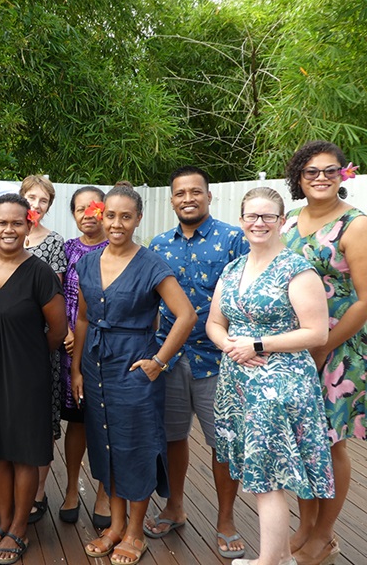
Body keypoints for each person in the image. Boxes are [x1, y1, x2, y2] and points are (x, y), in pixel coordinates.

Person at [208, 187, 333, 565]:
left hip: (278, 385)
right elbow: (215, 322)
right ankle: (281, 559)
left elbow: (317, 332)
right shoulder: (232, 269)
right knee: (265, 472)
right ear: (241, 220)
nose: (258, 222)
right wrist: (231, 346)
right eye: (251, 216)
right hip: (238, 379)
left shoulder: (296, 268)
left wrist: (257, 345)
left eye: (267, 216)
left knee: (269, 475)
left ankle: (267, 562)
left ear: (281, 222)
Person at [72, 185, 196, 565]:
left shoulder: (150, 263)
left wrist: (158, 362)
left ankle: (135, 532)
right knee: (105, 441)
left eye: (126, 216)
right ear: (101, 215)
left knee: (136, 447)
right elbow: (82, 317)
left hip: (134, 366)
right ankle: (114, 526)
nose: (116, 223)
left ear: (138, 219)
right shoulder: (88, 263)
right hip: (95, 366)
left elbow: (186, 315)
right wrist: (76, 368)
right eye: (111, 215)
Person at [145, 166, 249, 559]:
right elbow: (151, 303)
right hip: (170, 358)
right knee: (172, 438)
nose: (187, 198)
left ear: (208, 196)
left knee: (223, 444)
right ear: (171, 199)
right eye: (179, 193)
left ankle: (225, 520)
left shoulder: (232, 240)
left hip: (219, 360)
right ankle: (174, 506)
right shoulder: (158, 244)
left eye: (195, 192)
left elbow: (246, 294)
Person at [0, 193, 67, 565]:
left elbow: (57, 330)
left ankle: (19, 528)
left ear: (28, 226)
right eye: (1, 223)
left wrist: (26, 355)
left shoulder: (39, 273)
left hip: (28, 376)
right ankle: (4, 521)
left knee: (24, 453)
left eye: (16, 223)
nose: (9, 229)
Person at [280, 141, 367, 565]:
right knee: (300, 443)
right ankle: (303, 527)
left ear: (342, 176)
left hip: (337, 351)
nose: (320, 177)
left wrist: (322, 347)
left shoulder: (356, 226)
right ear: (299, 177)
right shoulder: (289, 224)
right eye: (311, 171)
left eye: (329, 171)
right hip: (294, 349)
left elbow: (364, 301)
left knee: (332, 445)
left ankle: (326, 534)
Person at [57, 186, 112, 528]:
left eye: (93, 208)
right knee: (76, 420)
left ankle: (105, 492)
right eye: (80, 209)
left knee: (105, 421)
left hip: (107, 345)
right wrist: (64, 329)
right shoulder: (67, 250)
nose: (87, 215)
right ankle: (71, 489)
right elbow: (56, 291)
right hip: (71, 344)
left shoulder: (117, 247)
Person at [18, 174, 67, 523]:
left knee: (42, 417)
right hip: (6, 341)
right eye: (31, 198)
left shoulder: (54, 242)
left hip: (40, 340)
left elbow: (55, 296)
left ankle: (37, 491)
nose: (36, 205)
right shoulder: (3, 233)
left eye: (43, 201)